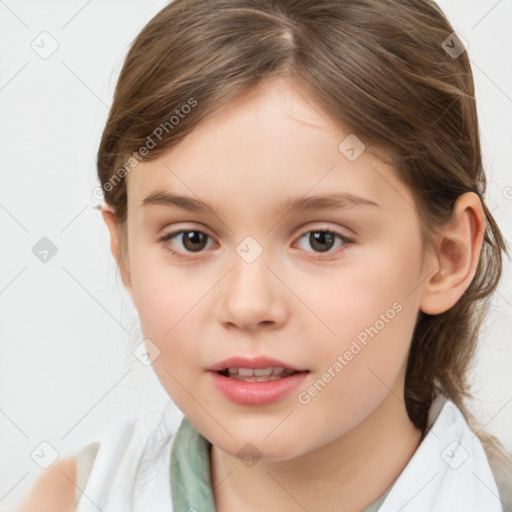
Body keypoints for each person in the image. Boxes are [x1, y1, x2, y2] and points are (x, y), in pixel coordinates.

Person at [16, 0, 512, 510]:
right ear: (124, 253)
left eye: (322, 239)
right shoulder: (69, 498)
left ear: (447, 257)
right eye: (191, 239)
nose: (247, 305)